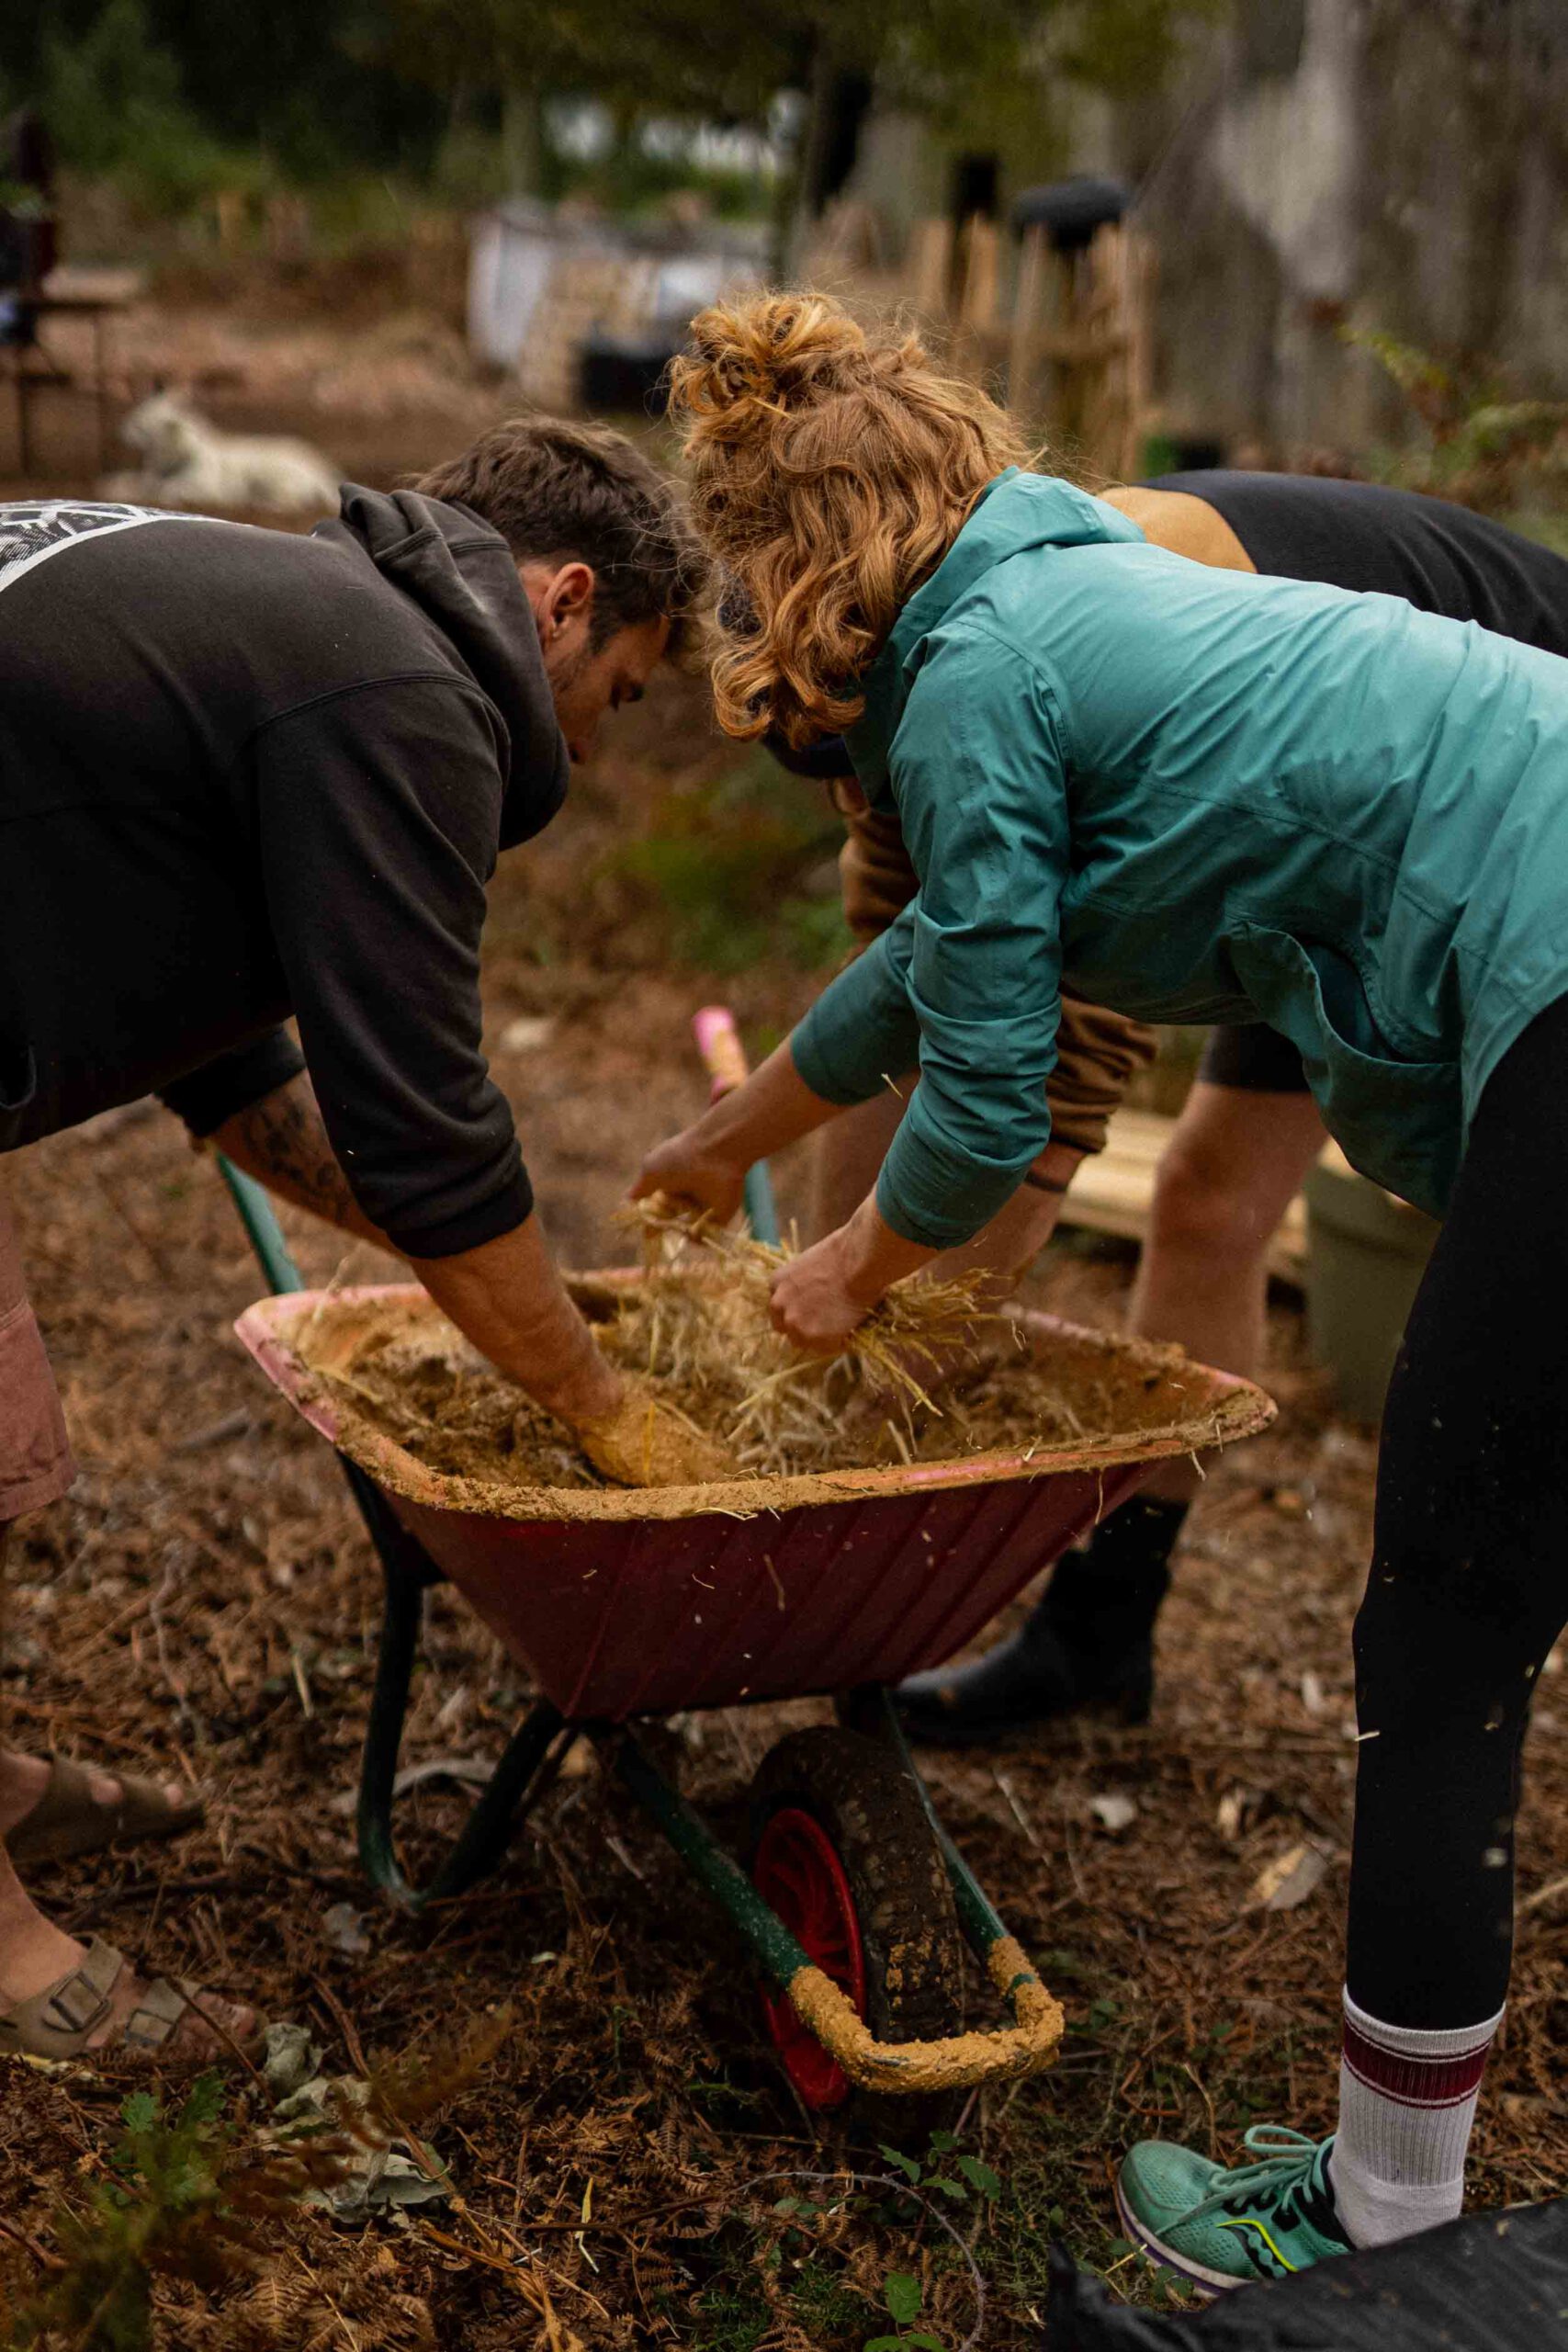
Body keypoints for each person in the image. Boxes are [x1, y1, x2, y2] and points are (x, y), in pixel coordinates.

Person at [636, 291, 1568, 2285]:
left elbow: (987, 1091)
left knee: (1446, 1617)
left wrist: (849, 1269)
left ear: (791, 565)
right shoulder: (1052, 584)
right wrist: (729, 1141)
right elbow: (927, 972)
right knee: (1484, 1565)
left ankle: (1374, 2222)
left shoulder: (975, 671)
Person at [0, 420, 715, 2063]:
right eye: (624, 690)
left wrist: (527, 1284)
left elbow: (242, 1066)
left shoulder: (285, 617)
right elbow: (428, 1126)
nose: (596, 751)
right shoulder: (403, 689)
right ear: (563, 600)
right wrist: (603, 1405)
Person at [772, 476, 1568, 1746]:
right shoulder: (921, 661)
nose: (865, 801)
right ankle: (1103, 1632)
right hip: (1316, 836)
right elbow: (897, 993)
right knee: (1205, 1200)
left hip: (1493, 795)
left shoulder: (1072, 659)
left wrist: (855, 1367)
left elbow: (1031, 1096)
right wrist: (801, 1291)